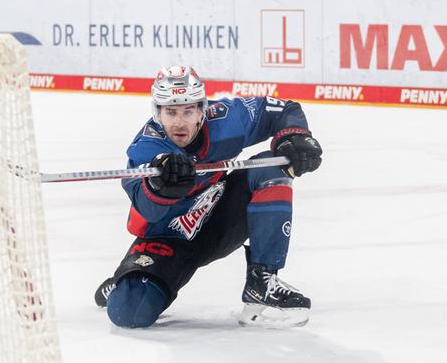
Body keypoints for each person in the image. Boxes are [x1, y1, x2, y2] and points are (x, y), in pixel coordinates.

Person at [94, 66, 323, 329]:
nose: (179, 122)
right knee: (128, 313)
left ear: (202, 109)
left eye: (188, 111)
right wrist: (161, 185)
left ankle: (262, 280)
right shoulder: (146, 148)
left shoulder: (227, 120)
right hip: (167, 238)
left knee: (270, 167)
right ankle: (124, 280)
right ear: (157, 113)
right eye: (170, 111)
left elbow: (283, 110)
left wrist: (295, 137)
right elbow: (148, 209)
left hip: (218, 217)